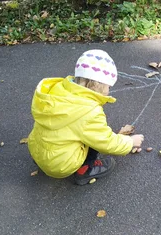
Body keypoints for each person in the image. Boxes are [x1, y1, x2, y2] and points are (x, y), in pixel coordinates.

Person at [28, 49, 144, 185]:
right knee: (93, 136)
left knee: (77, 130)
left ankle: (45, 162)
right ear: (98, 85)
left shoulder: (58, 91)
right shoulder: (89, 112)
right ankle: (85, 169)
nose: (109, 90)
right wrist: (130, 142)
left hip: (37, 152)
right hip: (60, 165)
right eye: (108, 86)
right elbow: (106, 142)